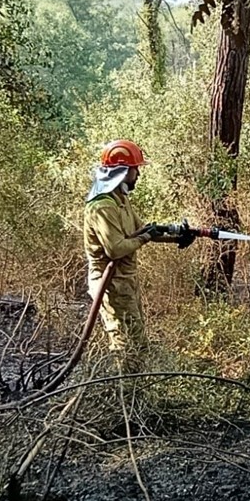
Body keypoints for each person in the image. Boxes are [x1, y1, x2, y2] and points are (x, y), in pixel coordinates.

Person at [83, 139, 156, 375]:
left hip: (125, 281)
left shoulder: (121, 199)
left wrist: (177, 235)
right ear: (123, 171)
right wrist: (145, 238)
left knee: (138, 342)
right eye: (136, 170)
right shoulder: (102, 207)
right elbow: (115, 249)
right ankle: (123, 396)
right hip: (110, 284)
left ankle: (136, 390)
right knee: (125, 345)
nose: (138, 176)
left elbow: (142, 230)